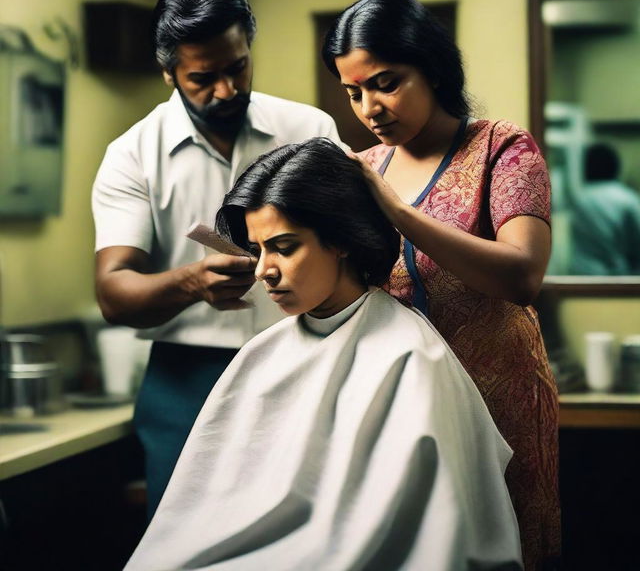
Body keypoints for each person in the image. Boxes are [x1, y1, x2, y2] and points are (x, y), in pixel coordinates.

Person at [124, 138, 523, 571]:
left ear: (341, 240)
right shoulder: (263, 354)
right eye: (257, 250)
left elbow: (423, 533)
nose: (263, 271)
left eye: (284, 246)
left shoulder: (408, 356)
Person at [322, 0, 559, 570]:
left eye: (385, 82)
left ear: (431, 67)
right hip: (403, 405)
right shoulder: (366, 167)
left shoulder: (502, 148)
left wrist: (400, 214)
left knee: (508, 550)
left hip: (499, 398)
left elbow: (524, 275)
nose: (369, 108)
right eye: (353, 92)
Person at [91, 0, 339, 518]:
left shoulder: (309, 131)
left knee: (313, 536)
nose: (226, 90)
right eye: (203, 78)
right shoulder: (132, 156)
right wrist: (192, 281)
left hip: (308, 363)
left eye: (238, 68)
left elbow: (351, 245)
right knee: (182, 539)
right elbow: (114, 291)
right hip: (186, 383)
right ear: (169, 73)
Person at [570, 142, 640, 275]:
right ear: (616, 166)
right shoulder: (627, 199)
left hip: (582, 276)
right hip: (617, 277)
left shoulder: (579, 199)